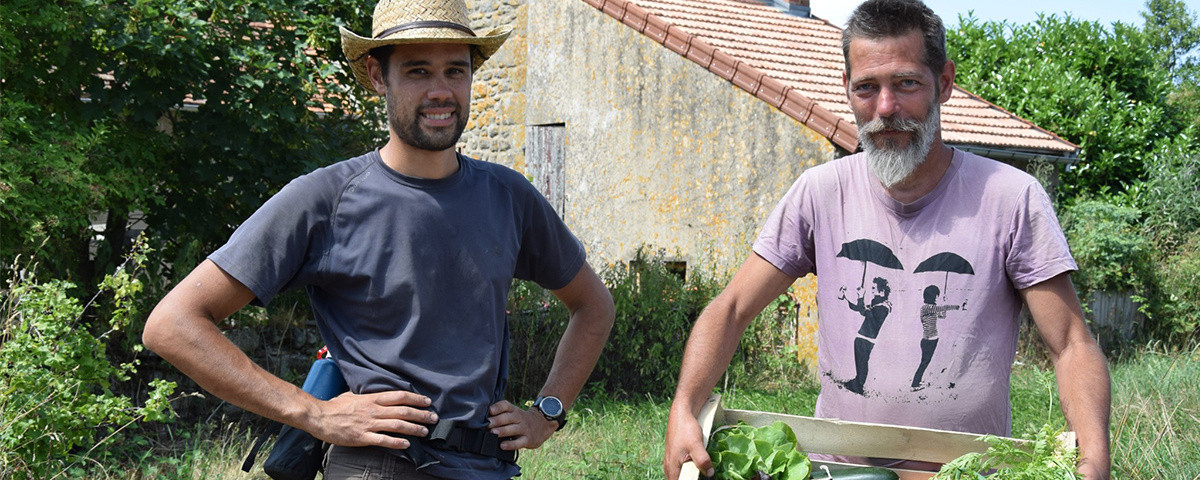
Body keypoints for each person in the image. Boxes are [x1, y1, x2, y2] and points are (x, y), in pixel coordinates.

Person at [142, 0, 615, 478]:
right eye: (416, 71)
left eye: (456, 70)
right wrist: (314, 413)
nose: (440, 91)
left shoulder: (508, 195)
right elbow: (173, 324)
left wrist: (547, 412)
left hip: (488, 466)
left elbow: (593, 305)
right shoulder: (324, 199)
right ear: (376, 75)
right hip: (379, 464)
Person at [661, 1, 1110, 479]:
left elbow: (1071, 344)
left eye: (907, 84)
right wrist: (684, 409)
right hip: (841, 473)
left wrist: (1094, 458)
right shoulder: (821, 193)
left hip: (971, 473)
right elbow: (731, 308)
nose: (885, 109)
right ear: (847, 90)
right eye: (867, 88)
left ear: (945, 83)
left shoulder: (1009, 198)